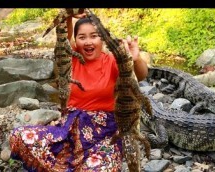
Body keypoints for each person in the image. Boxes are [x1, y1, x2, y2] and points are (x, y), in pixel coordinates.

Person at [9, 13, 148, 172]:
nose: (88, 42)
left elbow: (141, 75)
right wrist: (68, 15)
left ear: (102, 38)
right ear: (75, 41)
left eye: (94, 36)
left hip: (104, 136)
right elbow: (64, 37)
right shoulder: (71, 58)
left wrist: (135, 59)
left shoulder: (111, 61)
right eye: (82, 37)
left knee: (100, 168)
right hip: (67, 133)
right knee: (19, 137)